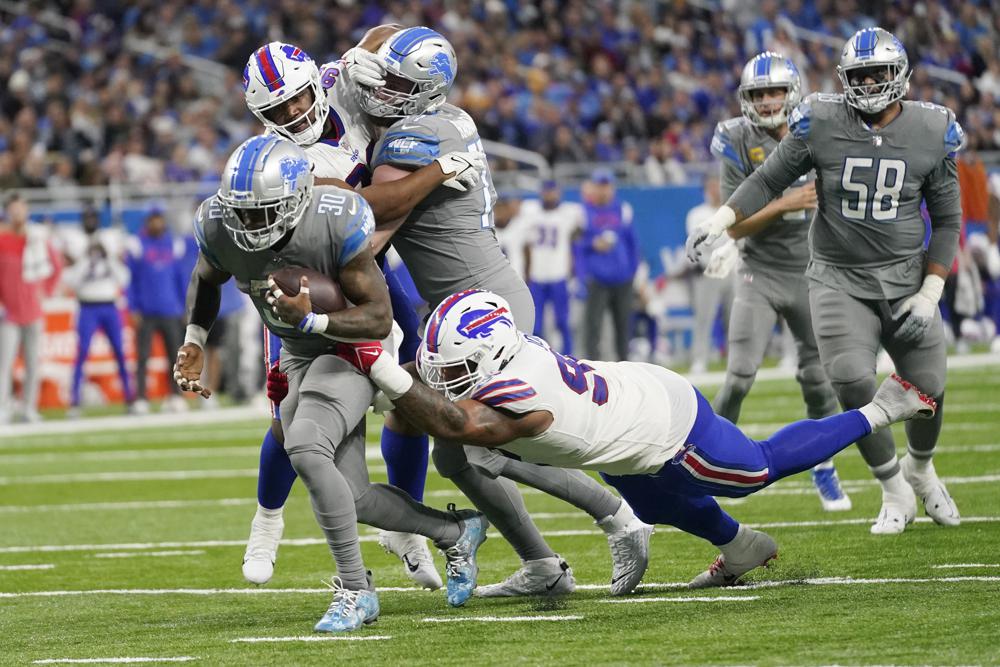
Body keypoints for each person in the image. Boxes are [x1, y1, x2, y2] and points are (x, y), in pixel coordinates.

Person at [334, 289, 938, 588]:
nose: (444, 378)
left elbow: (456, 424)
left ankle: (882, 409)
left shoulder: (522, 397)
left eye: (456, 368)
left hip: (663, 426)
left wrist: (382, 367)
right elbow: (439, 400)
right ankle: (743, 548)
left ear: (491, 357)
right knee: (647, 504)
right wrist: (384, 361)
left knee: (753, 471)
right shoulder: (507, 361)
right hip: (621, 415)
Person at [355, 27, 653, 597]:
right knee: (428, 430)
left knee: (477, 448)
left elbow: (371, 228)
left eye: (395, 82)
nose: (382, 90)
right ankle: (541, 562)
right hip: (472, 302)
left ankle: (614, 515)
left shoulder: (413, 139)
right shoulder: (451, 119)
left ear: (423, 90)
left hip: (477, 315)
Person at [173, 135, 487, 632]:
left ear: (297, 198)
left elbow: (379, 317)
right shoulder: (220, 224)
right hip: (300, 350)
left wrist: (313, 322)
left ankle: (356, 590)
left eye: (264, 212)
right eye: (243, 212)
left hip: (355, 345)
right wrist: (194, 337)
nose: (250, 224)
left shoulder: (335, 218)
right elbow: (207, 277)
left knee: (305, 446)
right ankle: (456, 529)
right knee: (353, 496)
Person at [686, 27, 963, 534]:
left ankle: (920, 471)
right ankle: (891, 486)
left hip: (906, 277)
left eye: (878, 72)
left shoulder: (932, 127)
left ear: (898, 74)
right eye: (859, 75)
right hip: (836, 276)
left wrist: (932, 288)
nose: (869, 82)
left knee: (931, 388)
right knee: (852, 381)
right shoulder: (821, 120)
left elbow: (947, 221)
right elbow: (769, 178)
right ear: (844, 79)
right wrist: (721, 220)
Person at [238, 35, 487, 589]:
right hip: (305, 278)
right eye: (277, 110)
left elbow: (383, 44)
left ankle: (409, 529)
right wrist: (439, 170)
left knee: (410, 389)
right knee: (289, 415)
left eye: (298, 100)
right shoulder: (280, 160)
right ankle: (268, 519)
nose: (294, 113)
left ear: (313, 86)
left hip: (364, 270)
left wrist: (371, 50)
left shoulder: (339, 84)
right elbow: (370, 204)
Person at [703, 52, 849, 512]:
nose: (767, 101)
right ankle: (707, 461)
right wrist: (784, 203)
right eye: (758, 94)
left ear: (794, 92)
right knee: (740, 376)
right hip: (759, 272)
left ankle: (823, 466)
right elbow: (736, 223)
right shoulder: (736, 139)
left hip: (813, 271)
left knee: (818, 379)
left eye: (775, 92)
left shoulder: (818, 129)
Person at [64, 207, 133, 417]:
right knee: (82, 353)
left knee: (120, 353)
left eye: (94, 217)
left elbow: (124, 279)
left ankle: (130, 399)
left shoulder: (108, 240)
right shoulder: (76, 241)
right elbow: (71, 281)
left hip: (110, 304)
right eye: (88, 217)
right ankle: (74, 402)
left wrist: (108, 256)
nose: (91, 221)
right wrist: (86, 258)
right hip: (87, 305)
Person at [0, 193, 62, 423]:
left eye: (21, 209)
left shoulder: (37, 239)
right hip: (8, 313)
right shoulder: (2, 240)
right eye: (13, 210)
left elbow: (56, 266)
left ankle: (28, 408)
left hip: (33, 311)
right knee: (4, 364)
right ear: (7, 212)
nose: (17, 214)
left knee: (33, 363)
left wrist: (45, 291)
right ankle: (3, 408)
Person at [126, 208, 187, 414]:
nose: (156, 223)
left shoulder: (173, 244)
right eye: (152, 219)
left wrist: (184, 306)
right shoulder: (137, 245)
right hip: (146, 311)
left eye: (159, 219)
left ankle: (176, 396)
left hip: (171, 309)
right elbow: (130, 281)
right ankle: (142, 397)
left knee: (175, 356)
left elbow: (180, 278)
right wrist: (133, 307)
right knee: (142, 357)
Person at [580, 169, 639, 362]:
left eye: (607, 186)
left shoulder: (624, 209)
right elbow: (576, 244)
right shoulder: (583, 212)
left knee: (623, 326)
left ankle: (625, 365)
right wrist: (592, 244)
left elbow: (633, 244)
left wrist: (631, 272)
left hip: (622, 279)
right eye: (600, 186)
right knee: (593, 328)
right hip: (597, 279)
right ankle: (591, 368)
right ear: (594, 188)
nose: (604, 190)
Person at [519, 180, 583, 355]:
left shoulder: (569, 212)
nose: (550, 195)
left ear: (559, 193)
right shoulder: (530, 211)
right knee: (535, 325)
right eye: (547, 192)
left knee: (563, 322)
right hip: (537, 276)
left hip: (559, 275)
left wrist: (574, 269)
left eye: (552, 192)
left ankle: (569, 358)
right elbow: (525, 245)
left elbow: (578, 237)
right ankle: (537, 358)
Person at [684, 175, 733, 374]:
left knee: (735, 318)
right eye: (711, 186)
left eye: (718, 186)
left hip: (732, 267)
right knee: (704, 318)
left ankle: (734, 359)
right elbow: (701, 243)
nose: (715, 190)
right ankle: (699, 359)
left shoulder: (730, 212)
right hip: (708, 269)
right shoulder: (697, 214)